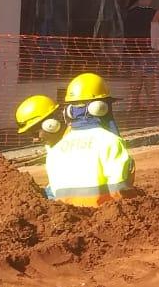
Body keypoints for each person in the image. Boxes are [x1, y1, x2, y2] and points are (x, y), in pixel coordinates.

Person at [47, 73, 135, 207]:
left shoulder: (55, 150)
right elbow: (119, 189)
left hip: (67, 214)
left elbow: (52, 193)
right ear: (101, 108)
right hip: (103, 212)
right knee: (129, 165)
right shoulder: (110, 141)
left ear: (69, 111)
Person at [123, 0, 159, 112]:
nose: (151, 0)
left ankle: (134, 103)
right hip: (147, 50)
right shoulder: (144, 12)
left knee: (137, 75)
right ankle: (151, 103)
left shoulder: (130, 12)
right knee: (150, 76)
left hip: (133, 50)